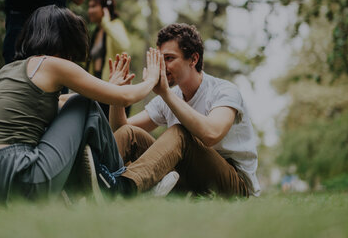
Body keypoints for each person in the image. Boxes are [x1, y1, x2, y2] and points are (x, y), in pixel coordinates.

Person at [0, 5, 161, 205]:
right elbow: (125, 97)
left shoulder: (9, 70)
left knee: (82, 102)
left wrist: (105, 89)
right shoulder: (52, 64)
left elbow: (61, 104)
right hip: (21, 177)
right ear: (65, 39)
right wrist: (151, 80)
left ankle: (89, 188)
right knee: (84, 102)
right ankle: (120, 184)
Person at [98, 23, 260, 198]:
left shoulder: (224, 91)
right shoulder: (169, 96)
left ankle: (123, 187)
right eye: (160, 59)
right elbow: (120, 128)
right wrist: (117, 96)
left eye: (169, 58)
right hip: (187, 178)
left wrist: (165, 93)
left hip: (234, 185)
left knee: (180, 133)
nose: (162, 66)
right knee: (130, 134)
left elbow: (211, 134)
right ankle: (92, 182)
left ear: (193, 59)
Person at [87, 0, 131, 117]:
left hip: (112, 88)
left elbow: (124, 46)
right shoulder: (96, 32)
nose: (89, 10)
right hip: (97, 88)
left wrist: (106, 22)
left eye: (93, 6)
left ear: (105, 9)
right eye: (89, 6)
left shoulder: (115, 25)